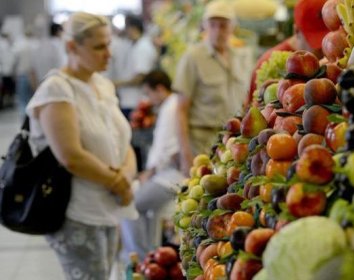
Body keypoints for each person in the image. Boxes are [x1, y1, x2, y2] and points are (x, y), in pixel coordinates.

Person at [25, 12, 138, 280]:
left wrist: (128, 175)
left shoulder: (103, 85)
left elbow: (123, 141)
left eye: (109, 44)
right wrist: (119, 183)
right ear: (71, 47)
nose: (108, 53)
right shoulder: (57, 90)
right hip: (77, 213)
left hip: (109, 207)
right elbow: (71, 156)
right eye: (99, 47)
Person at [173, 0, 251, 176]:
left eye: (223, 25)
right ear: (205, 26)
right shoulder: (192, 58)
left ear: (232, 27)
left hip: (232, 142)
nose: (217, 31)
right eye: (213, 25)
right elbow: (181, 110)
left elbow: (246, 100)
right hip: (202, 143)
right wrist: (185, 156)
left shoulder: (241, 56)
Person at [120, 69, 184, 260]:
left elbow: (169, 148)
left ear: (160, 89)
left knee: (130, 204)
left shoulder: (172, 108)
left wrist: (151, 171)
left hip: (170, 178)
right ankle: (148, 253)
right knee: (137, 200)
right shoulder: (169, 106)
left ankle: (141, 259)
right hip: (162, 174)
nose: (148, 99)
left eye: (148, 93)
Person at [248, 0, 330, 95]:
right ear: (296, 31)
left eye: (329, 40)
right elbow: (252, 107)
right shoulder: (266, 62)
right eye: (318, 43)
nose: (326, 50)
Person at [113, 16, 158, 119]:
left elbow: (140, 77)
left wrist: (118, 84)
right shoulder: (134, 45)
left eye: (126, 28)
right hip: (129, 100)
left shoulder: (143, 47)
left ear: (132, 28)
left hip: (136, 101)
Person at [30, 22, 67, 87]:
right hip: (58, 84)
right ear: (58, 31)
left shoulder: (39, 46)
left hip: (41, 83)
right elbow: (63, 66)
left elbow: (33, 69)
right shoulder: (60, 46)